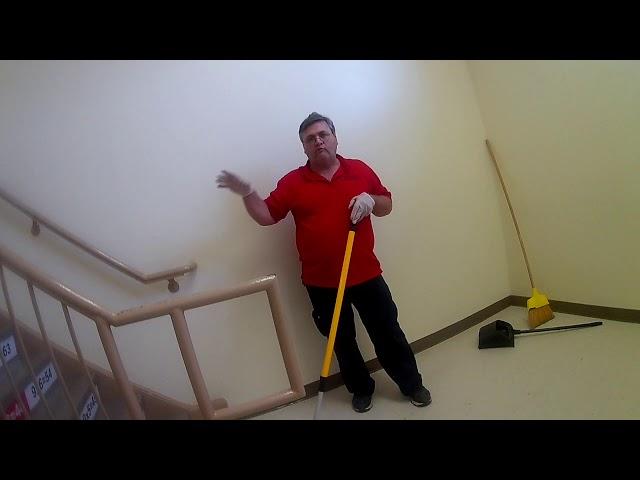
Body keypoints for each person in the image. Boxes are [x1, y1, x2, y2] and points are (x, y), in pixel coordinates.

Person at [216, 112, 431, 413]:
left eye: (322, 135)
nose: (318, 141)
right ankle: (361, 389)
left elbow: (386, 205)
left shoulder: (359, 169)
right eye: (310, 138)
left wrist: (370, 199)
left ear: (334, 137)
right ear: (304, 147)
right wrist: (248, 193)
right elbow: (266, 216)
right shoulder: (293, 182)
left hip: (367, 274)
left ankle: (411, 384)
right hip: (321, 283)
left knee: (387, 333)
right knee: (341, 342)